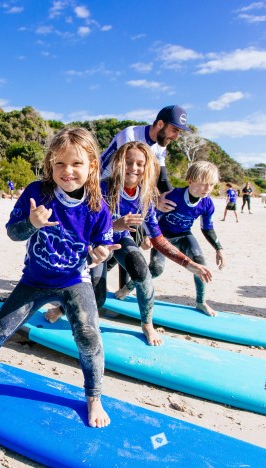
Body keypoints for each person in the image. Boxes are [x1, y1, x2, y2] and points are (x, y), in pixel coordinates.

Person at [0, 127, 117, 428]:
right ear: (50, 165)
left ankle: (94, 396)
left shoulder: (97, 205)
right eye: (60, 164)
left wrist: (101, 254)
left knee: (88, 335)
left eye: (77, 164)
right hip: (34, 280)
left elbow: (101, 246)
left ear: (92, 165)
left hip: (73, 281)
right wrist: (31, 223)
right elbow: (13, 233)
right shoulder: (36, 193)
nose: (67, 171)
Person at [89, 142, 212, 346]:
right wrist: (115, 225)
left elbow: (158, 238)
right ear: (118, 162)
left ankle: (147, 325)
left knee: (144, 275)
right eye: (128, 162)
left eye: (140, 164)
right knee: (98, 298)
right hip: (95, 246)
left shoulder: (145, 197)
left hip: (120, 241)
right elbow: (82, 226)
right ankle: (63, 306)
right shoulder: (101, 188)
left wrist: (188, 263)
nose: (134, 168)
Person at [98, 105, 191, 290]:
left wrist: (176, 202)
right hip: (104, 191)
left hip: (126, 197)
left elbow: (162, 178)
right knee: (104, 240)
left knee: (126, 239)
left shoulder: (159, 147)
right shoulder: (131, 135)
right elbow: (126, 171)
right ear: (160, 123)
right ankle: (90, 284)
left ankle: (117, 286)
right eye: (174, 130)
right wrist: (153, 199)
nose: (176, 136)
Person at [146, 161, 225, 316]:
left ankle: (201, 302)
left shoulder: (207, 203)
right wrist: (147, 236)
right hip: (162, 235)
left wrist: (219, 249)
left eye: (211, 185)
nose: (207, 189)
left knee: (200, 265)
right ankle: (128, 288)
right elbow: (154, 217)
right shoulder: (174, 195)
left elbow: (207, 228)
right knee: (156, 270)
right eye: (203, 184)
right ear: (190, 179)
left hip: (184, 235)